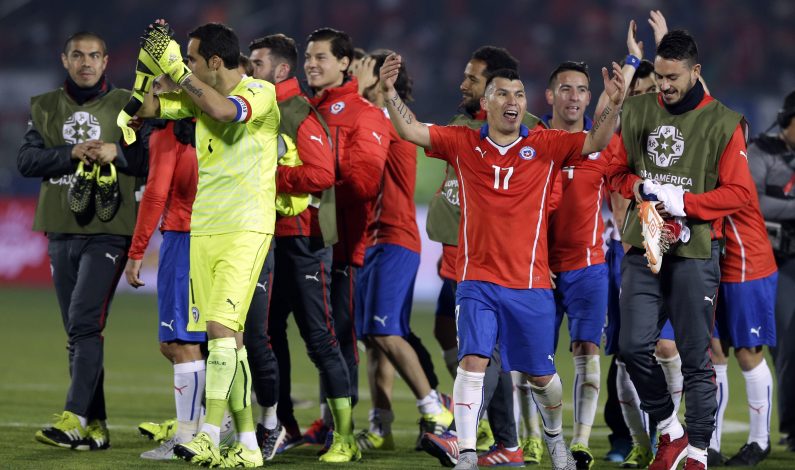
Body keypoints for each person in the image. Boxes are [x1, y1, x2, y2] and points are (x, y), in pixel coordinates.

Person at [381, 53, 625, 470]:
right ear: (488, 104)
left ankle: (555, 442)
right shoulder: (462, 144)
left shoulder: (545, 146)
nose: (513, 100)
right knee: (471, 361)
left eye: (519, 94)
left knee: (542, 379)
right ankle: (468, 454)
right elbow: (409, 129)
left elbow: (596, 142)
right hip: (476, 281)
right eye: (503, 94)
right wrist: (387, 93)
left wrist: (614, 103)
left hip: (530, 286)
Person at [607, 29, 756, 470]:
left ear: (696, 72)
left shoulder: (725, 122)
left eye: (674, 77)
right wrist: (638, 186)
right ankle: (670, 429)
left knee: (695, 357)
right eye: (660, 76)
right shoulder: (635, 112)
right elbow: (614, 171)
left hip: (696, 254)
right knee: (631, 346)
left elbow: (740, 194)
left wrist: (683, 203)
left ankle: (697, 453)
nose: (666, 85)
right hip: (644, 247)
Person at [135, 20, 280, 467]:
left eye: (195, 60)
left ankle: (209, 435)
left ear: (215, 62)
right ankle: (250, 447)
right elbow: (148, 109)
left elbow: (221, 111)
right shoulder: (199, 95)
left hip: (246, 228)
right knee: (231, 342)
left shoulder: (260, 93)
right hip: (205, 230)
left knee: (218, 331)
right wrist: (150, 69)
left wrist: (180, 75)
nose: (189, 67)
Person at [19, 30, 149, 452]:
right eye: (78, 55)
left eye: (94, 55)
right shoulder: (44, 107)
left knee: (83, 323)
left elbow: (150, 158)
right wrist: (72, 151)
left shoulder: (129, 105)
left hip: (109, 230)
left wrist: (119, 153)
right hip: (60, 227)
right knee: (79, 332)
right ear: (65, 59)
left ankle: (73, 418)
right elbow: (26, 160)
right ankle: (96, 424)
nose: (86, 62)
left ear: (107, 61)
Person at [248, 33, 354, 461]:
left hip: (305, 241)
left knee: (320, 340)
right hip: (272, 237)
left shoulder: (296, 112)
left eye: (256, 65)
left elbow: (321, 174)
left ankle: (344, 437)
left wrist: (267, 180)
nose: (249, 71)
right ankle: (283, 427)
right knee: (269, 337)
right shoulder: (265, 110)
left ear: (279, 70)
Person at [302, 27, 393, 462]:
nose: (312, 64)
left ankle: (344, 429)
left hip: (341, 246)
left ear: (344, 62)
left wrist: (317, 177)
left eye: (321, 57)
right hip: (296, 241)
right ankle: (316, 421)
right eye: (308, 58)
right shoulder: (300, 109)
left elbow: (364, 182)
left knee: (338, 336)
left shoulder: (362, 113)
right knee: (306, 337)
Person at [123, 77, 205, 461]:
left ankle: (191, 435)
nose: (142, 99)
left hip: (184, 239)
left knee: (178, 343)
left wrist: (137, 251)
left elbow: (156, 192)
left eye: (151, 91)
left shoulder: (168, 132)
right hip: (213, 237)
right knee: (194, 342)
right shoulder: (204, 126)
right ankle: (206, 426)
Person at [541, 60, 612, 470]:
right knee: (534, 358)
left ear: (589, 97)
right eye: (565, 88)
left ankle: (581, 442)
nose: (574, 96)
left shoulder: (602, 145)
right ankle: (534, 441)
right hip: (540, 269)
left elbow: (621, 194)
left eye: (582, 90)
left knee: (588, 348)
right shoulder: (532, 143)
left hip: (588, 267)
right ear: (550, 96)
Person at [747, 89, 795, 453]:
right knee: (786, 346)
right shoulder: (762, 151)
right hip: (776, 261)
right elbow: (754, 200)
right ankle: (791, 426)